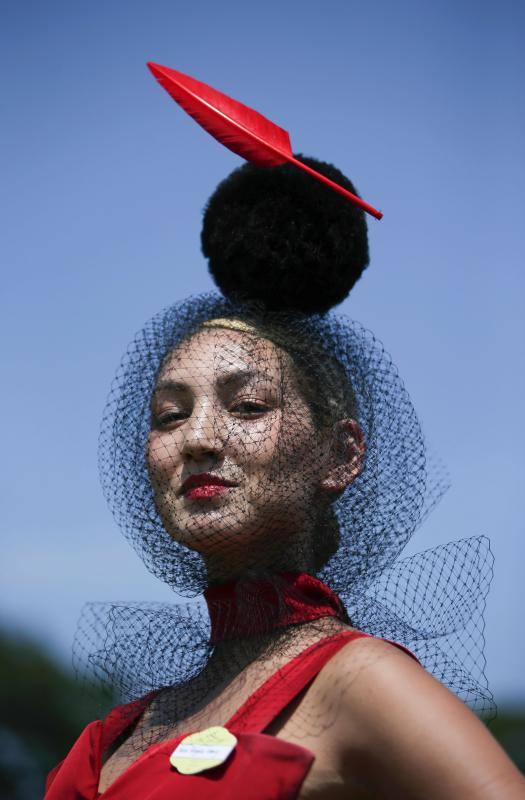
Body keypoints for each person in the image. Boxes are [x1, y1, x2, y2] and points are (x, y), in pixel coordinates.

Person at [44, 67, 525, 799]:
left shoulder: (357, 684)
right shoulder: (116, 733)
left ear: (341, 453)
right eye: (169, 415)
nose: (198, 438)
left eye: (246, 406)